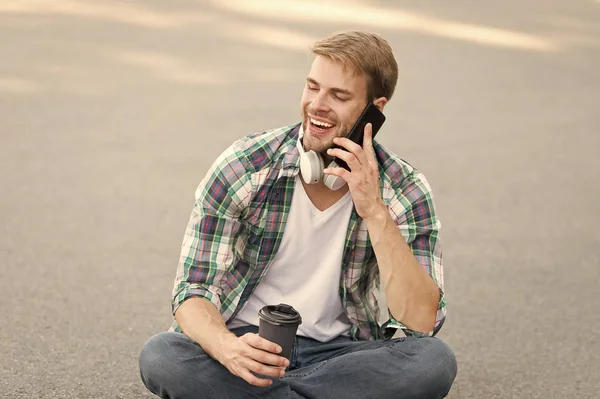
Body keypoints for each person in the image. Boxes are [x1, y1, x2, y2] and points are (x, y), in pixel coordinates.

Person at [139, 30, 457, 399]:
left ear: (376, 109)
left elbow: (420, 321)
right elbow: (192, 291)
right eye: (312, 87)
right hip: (246, 343)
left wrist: (375, 212)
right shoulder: (245, 165)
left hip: (339, 355)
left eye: (338, 96)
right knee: (161, 355)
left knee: (434, 361)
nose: (317, 105)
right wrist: (228, 349)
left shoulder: (405, 189)